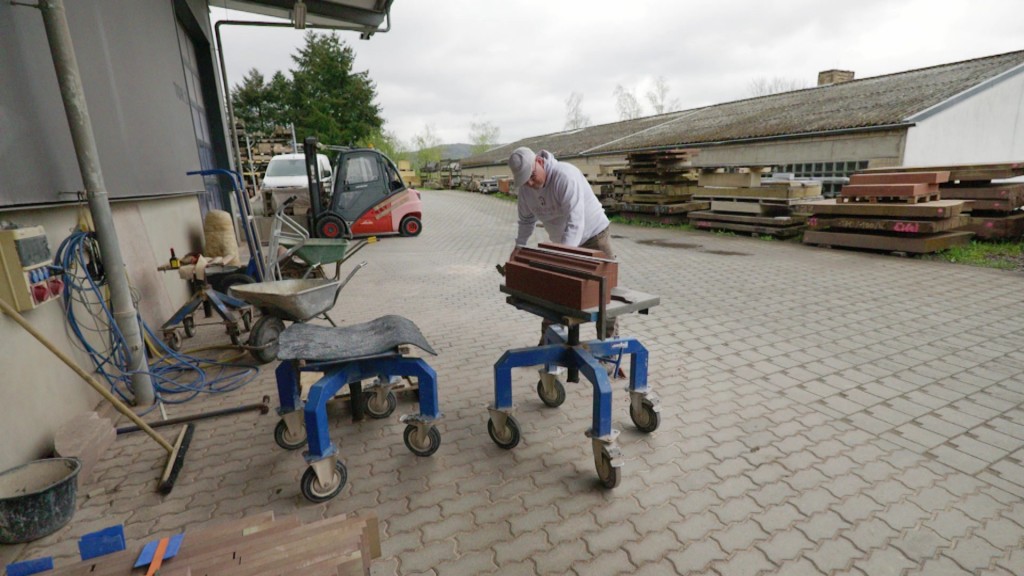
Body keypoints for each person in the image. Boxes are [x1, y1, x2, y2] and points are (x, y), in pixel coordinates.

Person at [507, 146, 619, 342]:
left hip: (594, 236)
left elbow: (576, 223)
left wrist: (562, 258)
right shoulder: (526, 191)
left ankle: (608, 349)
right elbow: (526, 221)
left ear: (540, 162)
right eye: (526, 180)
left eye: (533, 176)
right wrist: (518, 249)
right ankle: (548, 345)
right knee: (554, 291)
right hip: (561, 242)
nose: (531, 183)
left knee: (603, 294)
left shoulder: (565, 176)